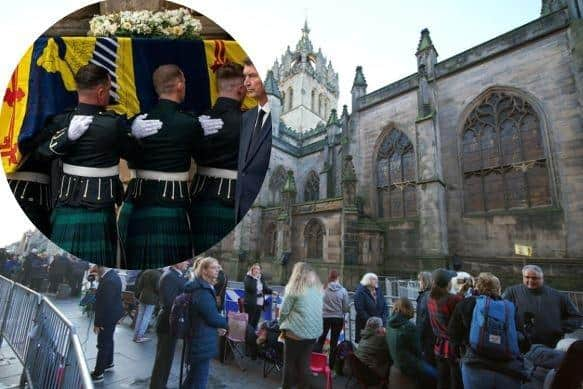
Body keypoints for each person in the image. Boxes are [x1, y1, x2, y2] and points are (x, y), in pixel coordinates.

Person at [38, 63, 161, 267]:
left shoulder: (62, 121)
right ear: (102, 91)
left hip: (65, 206)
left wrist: (66, 137)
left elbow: (41, 154)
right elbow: (137, 155)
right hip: (99, 209)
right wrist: (136, 135)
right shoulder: (113, 124)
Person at [122, 64, 201, 269]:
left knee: (132, 263)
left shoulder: (138, 121)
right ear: (179, 85)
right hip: (172, 206)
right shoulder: (189, 123)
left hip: (137, 203)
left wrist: (129, 131)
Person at [190, 62, 245, 253]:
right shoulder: (248, 122)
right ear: (240, 89)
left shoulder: (198, 119)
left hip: (198, 195)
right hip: (230, 199)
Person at [448, 272, 524, 389]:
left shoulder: (465, 304)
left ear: (477, 287)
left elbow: (453, 335)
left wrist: (460, 355)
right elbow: (521, 338)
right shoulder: (509, 307)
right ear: (498, 288)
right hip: (507, 368)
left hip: (475, 365)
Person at [502, 264, 582, 348]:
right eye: (527, 277)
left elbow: (577, 317)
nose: (530, 280)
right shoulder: (512, 292)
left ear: (542, 278)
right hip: (520, 345)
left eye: (534, 278)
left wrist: (558, 327)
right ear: (523, 277)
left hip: (550, 345)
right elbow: (500, 313)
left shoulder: (558, 296)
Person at [235, 58, 272, 222]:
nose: (246, 83)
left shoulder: (277, 117)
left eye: (252, 76)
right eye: (245, 77)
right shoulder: (245, 118)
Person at [183, 257, 227, 389]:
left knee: (193, 376)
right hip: (201, 340)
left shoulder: (202, 286)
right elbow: (211, 317)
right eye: (214, 267)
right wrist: (225, 322)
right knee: (200, 380)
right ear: (204, 271)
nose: (218, 269)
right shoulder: (202, 291)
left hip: (200, 335)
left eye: (218, 266)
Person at [278, 262, 323, 389]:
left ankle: (286, 387)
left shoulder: (294, 288)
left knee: (289, 363)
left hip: (296, 333)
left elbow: (284, 311)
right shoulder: (317, 289)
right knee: (304, 364)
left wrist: (280, 325)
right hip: (313, 334)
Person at [150, 260, 189, 389]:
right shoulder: (170, 276)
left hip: (170, 322)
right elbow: (170, 302)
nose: (188, 263)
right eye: (185, 261)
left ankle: (161, 384)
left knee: (166, 358)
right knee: (163, 360)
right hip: (168, 322)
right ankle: (158, 386)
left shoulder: (176, 275)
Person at [427, 268, 463, 389]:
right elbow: (460, 319)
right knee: (456, 382)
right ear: (448, 283)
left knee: (442, 380)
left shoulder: (429, 298)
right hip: (453, 348)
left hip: (439, 346)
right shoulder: (453, 299)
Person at [387, 297, 433, 389]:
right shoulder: (409, 327)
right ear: (407, 309)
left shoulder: (389, 324)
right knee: (436, 374)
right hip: (408, 370)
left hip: (395, 369)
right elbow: (417, 351)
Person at [91, 265, 123, 383]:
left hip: (107, 317)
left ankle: (98, 373)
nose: (94, 268)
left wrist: (98, 323)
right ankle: (109, 363)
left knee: (103, 344)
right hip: (113, 314)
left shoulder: (109, 280)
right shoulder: (111, 276)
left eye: (96, 266)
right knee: (109, 340)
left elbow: (104, 305)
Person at [315, 269, 349, 368]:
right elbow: (345, 307)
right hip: (337, 318)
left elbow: (318, 303)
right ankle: (331, 367)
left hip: (324, 317)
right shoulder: (343, 291)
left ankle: (316, 362)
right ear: (338, 277)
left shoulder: (323, 288)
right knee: (334, 342)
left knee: (321, 339)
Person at [354, 272, 388, 342]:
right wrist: (373, 323)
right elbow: (360, 310)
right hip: (366, 327)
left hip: (380, 327)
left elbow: (385, 307)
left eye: (376, 279)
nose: (376, 281)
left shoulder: (378, 291)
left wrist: (383, 323)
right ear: (368, 280)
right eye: (374, 279)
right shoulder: (360, 292)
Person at [416, 271, 437, 388]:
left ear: (425, 282)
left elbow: (422, 322)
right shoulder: (432, 295)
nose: (418, 283)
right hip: (432, 339)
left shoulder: (425, 297)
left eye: (420, 280)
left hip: (427, 341)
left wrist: (418, 341)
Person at [133, 268, 161, 343]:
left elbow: (139, 285)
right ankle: (140, 336)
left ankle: (136, 335)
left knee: (140, 316)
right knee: (146, 317)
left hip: (143, 295)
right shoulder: (158, 274)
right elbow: (158, 288)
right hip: (152, 298)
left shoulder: (145, 272)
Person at [243, 262, 273, 329]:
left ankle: (252, 335)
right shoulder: (248, 278)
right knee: (249, 322)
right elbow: (252, 288)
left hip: (259, 303)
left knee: (255, 322)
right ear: (252, 269)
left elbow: (264, 288)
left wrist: (272, 292)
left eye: (258, 269)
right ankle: (247, 336)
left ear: (260, 271)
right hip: (251, 303)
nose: (257, 270)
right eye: (255, 269)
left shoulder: (261, 278)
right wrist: (254, 278)